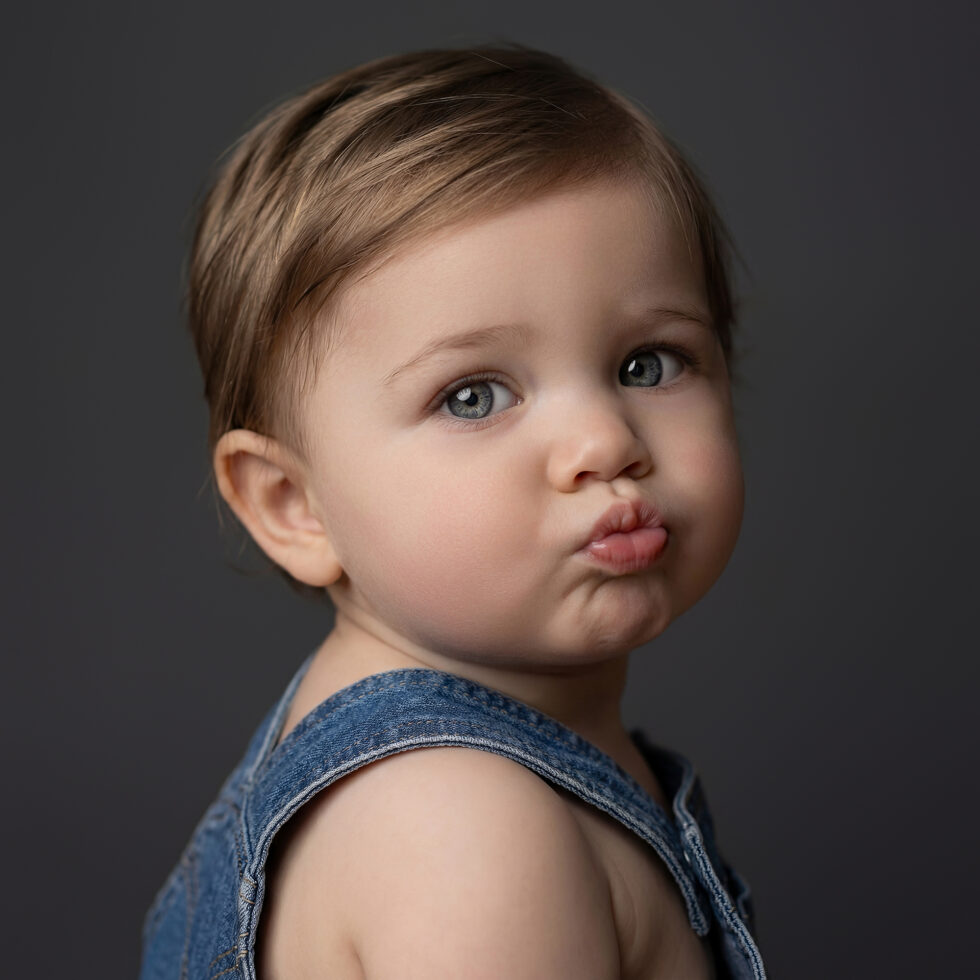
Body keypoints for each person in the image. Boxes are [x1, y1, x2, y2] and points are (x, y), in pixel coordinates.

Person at [139, 42, 767, 980]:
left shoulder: (469, 770)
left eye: (649, 363)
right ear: (296, 505)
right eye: (473, 395)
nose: (605, 440)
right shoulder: (463, 826)